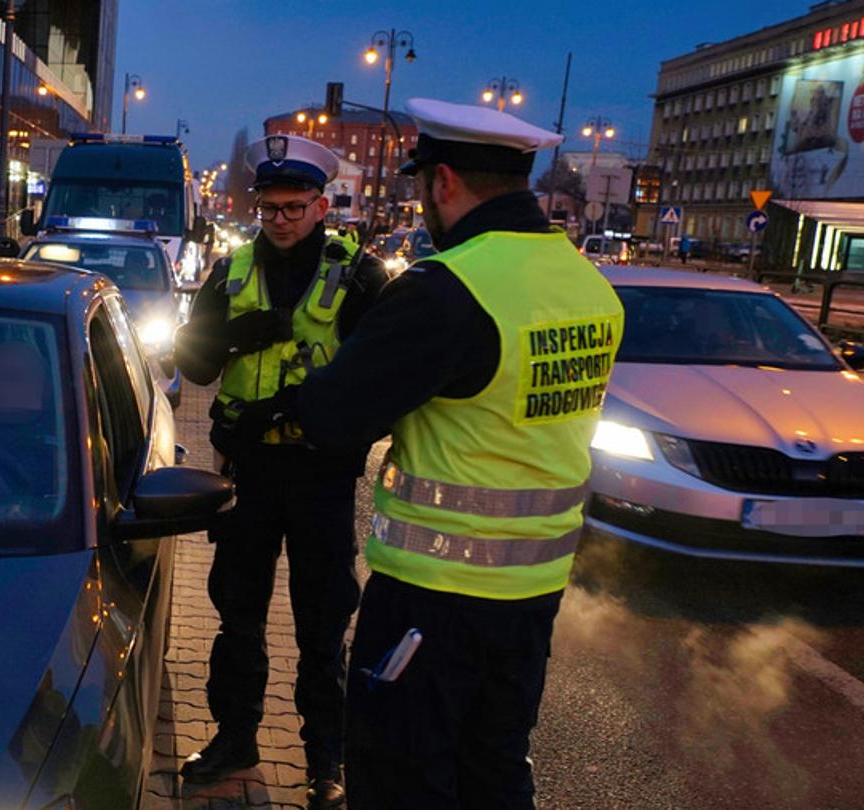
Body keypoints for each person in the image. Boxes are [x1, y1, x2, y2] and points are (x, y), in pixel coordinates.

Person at [286, 98, 625, 809]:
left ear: (442, 182)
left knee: (399, 780)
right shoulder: (589, 286)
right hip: (532, 594)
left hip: (435, 597)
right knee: (494, 771)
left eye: (420, 185)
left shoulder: (448, 288)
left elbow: (331, 416)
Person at [172, 133, 389, 809]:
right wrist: (233, 337)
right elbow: (193, 363)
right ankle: (235, 740)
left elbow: (380, 383)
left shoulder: (361, 277)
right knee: (238, 618)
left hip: (321, 476)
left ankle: (326, 762)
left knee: (322, 628)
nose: (281, 220)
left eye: (295, 207)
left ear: (322, 205)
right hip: (250, 472)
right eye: (270, 208)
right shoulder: (230, 271)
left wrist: (314, 412)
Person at [0, 336, 61, 494]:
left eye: (26, 376)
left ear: (47, 387)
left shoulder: (71, 438)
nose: (18, 387)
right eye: (9, 376)